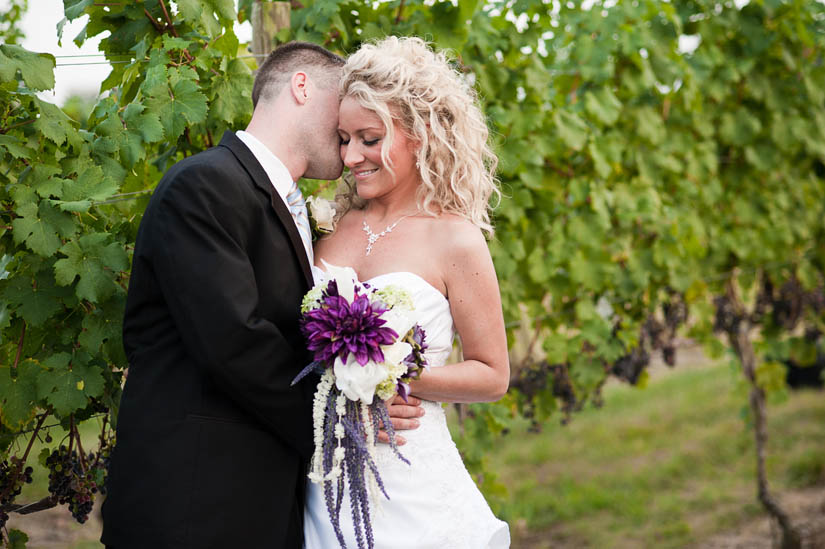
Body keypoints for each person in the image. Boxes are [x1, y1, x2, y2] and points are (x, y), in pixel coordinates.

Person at [101, 41, 421, 549]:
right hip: (194, 504)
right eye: (341, 111)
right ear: (301, 87)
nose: (347, 141)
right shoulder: (205, 185)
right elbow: (234, 342)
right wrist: (343, 422)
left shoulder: (285, 203)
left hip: (261, 501)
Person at [303, 36, 512, 548]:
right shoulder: (328, 225)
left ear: (418, 134)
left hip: (410, 483)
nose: (351, 157)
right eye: (344, 138)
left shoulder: (455, 238)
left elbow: (493, 374)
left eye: (369, 139)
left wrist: (399, 382)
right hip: (322, 486)